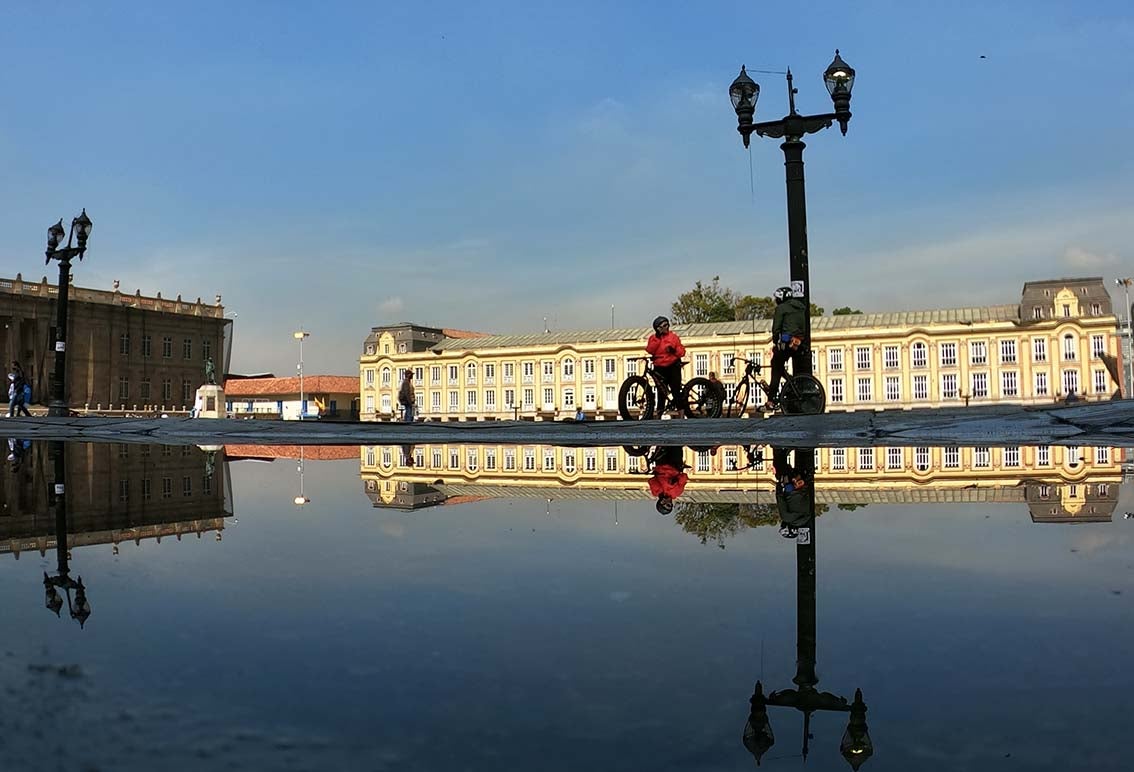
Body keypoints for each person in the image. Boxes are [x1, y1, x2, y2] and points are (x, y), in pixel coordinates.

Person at [765, 287, 808, 411]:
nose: (776, 300)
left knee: (775, 365)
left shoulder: (781, 309)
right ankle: (791, 382)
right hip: (799, 343)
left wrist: (775, 342)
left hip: (787, 342)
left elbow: (776, 328)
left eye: (777, 298)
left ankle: (771, 400)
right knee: (780, 364)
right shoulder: (801, 307)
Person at [646, 316, 686, 415]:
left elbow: (682, 352)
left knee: (675, 389)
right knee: (661, 391)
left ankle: (681, 412)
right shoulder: (653, 338)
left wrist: (674, 350)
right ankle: (659, 412)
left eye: (667, 325)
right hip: (659, 366)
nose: (666, 327)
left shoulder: (673, 337)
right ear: (657, 328)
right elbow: (650, 350)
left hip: (673, 365)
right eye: (663, 326)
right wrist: (658, 339)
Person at [772, 447, 812, 538]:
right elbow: (781, 501)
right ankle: (781, 449)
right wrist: (778, 488)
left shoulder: (806, 518)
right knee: (779, 468)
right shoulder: (786, 518)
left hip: (804, 488)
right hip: (791, 489)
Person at [649, 446, 689, 515]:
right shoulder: (676, 493)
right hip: (675, 465)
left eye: (667, 505)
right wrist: (676, 479)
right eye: (670, 505)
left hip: (661, 465)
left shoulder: (656, 492)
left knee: (662, 444)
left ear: (661, 502)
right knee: (676, 446)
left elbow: (651, 481)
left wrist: (660, 492)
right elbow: (684, 477)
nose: (669, 503)